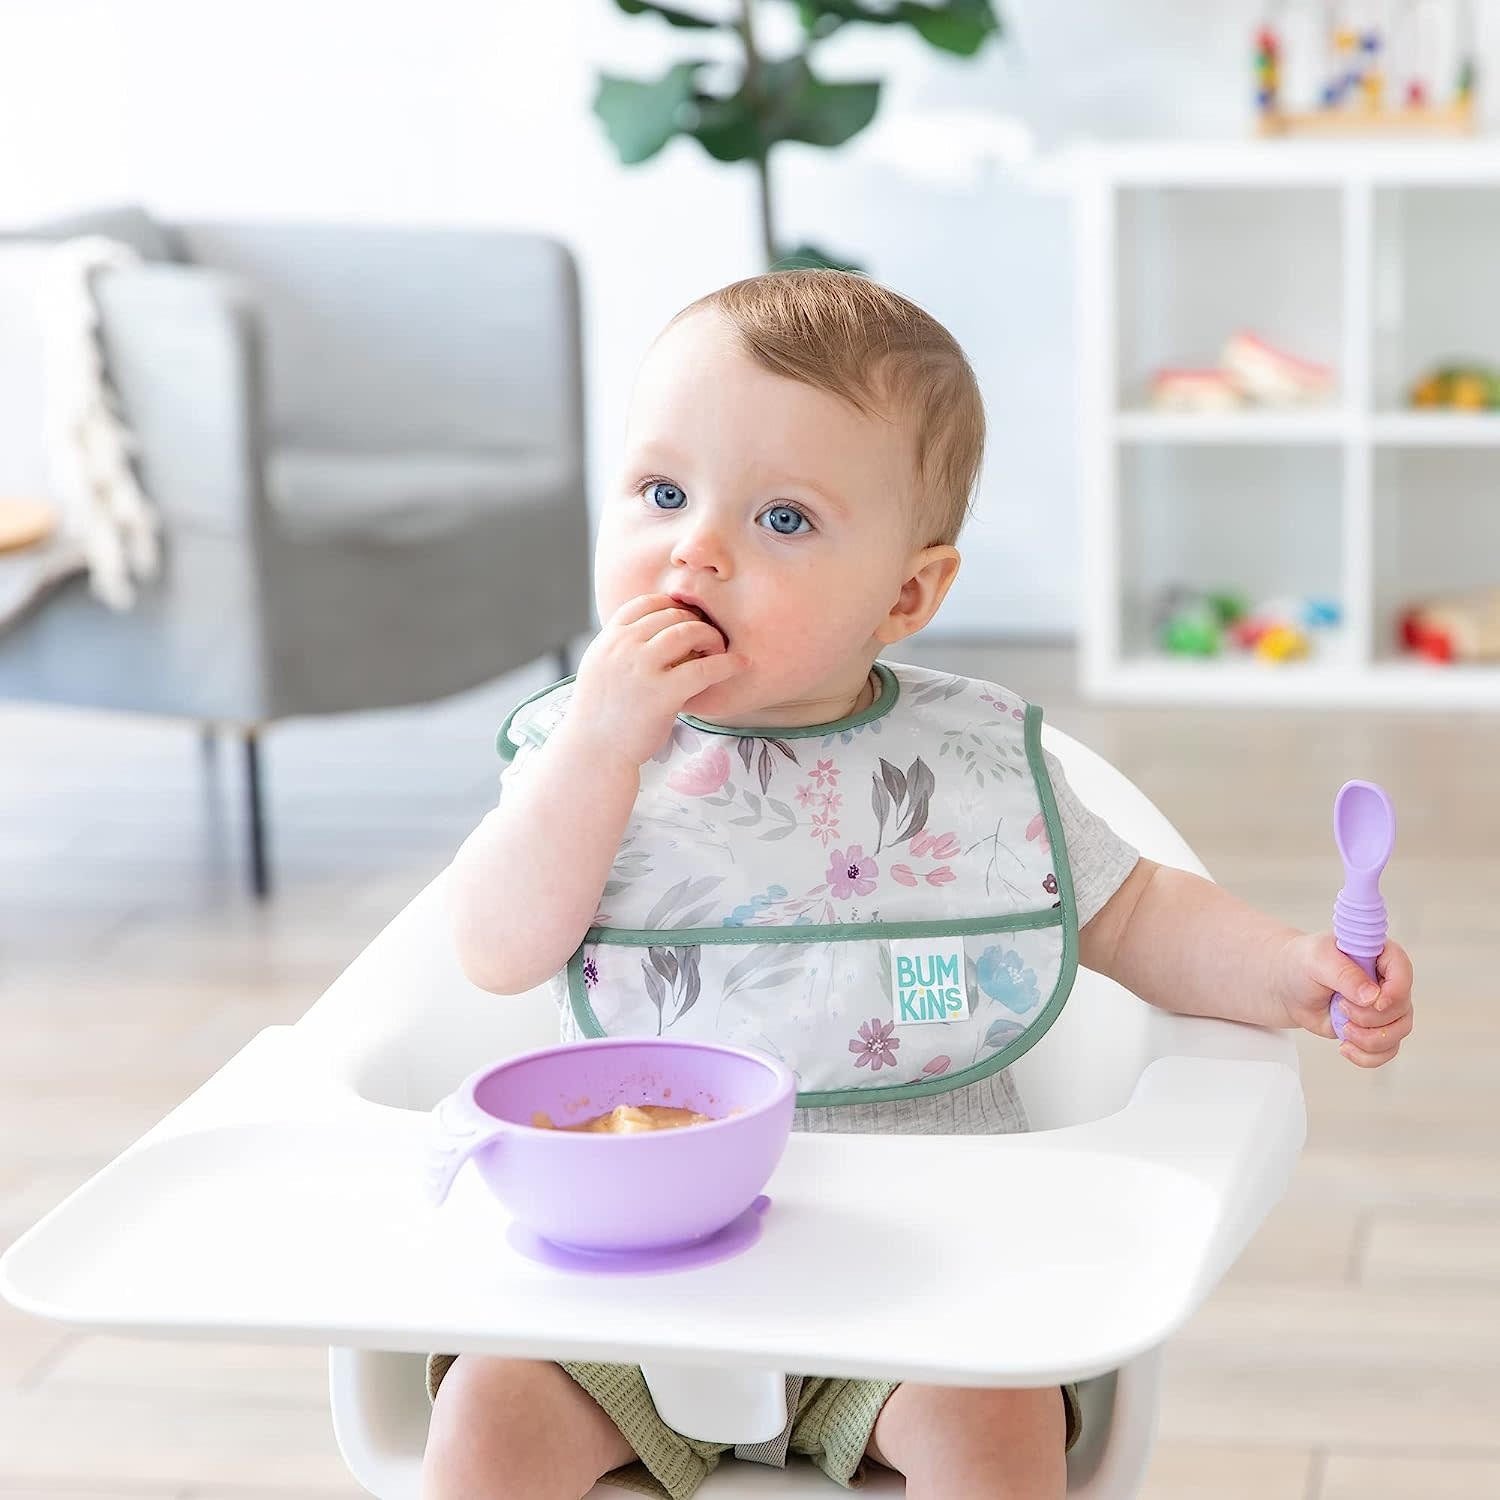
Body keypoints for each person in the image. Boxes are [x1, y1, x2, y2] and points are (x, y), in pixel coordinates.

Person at [424, 271, 1415, 1500]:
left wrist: (1289, 973)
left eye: (783, 520)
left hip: (926, 1277)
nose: (696, 548)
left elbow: (1138, 912)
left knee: (992, 1425)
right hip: (633, 1266)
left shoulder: (973, 767)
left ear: (908, 592)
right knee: (485, 1419)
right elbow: (496, 947)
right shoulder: (586, 752)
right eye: (663, 492)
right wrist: (600, 752)